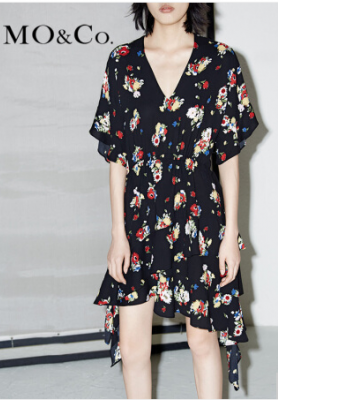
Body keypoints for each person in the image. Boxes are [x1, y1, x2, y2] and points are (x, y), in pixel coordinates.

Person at [88, 3, 259, 399]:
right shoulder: (122, 61)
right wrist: (117, 234)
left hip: (200, 219)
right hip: (139, 219)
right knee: (132, 347)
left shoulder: (221, 61)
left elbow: (228, 158)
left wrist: (231, 235)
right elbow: (117, 159)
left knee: (202, 340)